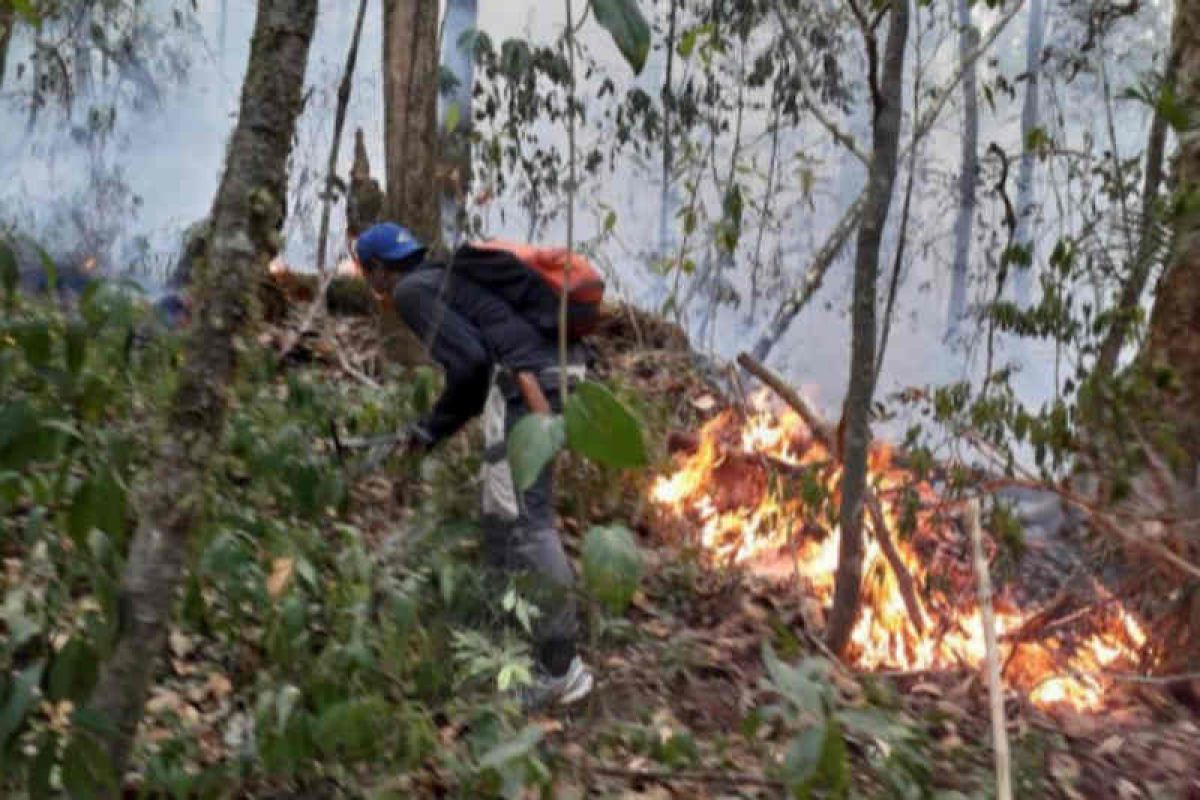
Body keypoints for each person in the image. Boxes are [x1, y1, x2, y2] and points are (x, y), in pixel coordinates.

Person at [352, 222, 595, 708]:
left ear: (377, 271)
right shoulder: (444, 275)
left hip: (529, 388)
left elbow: (469, 368)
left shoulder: (413, 290)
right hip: (557, 372)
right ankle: (517, 637)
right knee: (502, 518)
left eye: (366, 275)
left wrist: (426, 432)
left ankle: (559, 669)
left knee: (528, 523)